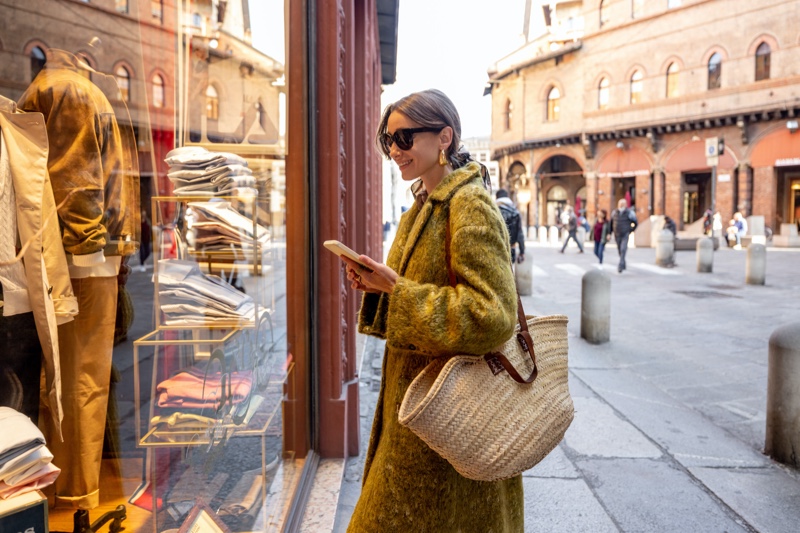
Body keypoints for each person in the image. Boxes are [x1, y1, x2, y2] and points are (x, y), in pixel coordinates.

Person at [341, 89, 523, 532]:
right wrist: (377, 286)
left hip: (453, 419)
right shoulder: (420, 206)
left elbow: (493, 314)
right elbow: (413, 292)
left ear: (444, 137)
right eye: (388, 141)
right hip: (419, 418)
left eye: (404, 138)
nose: (394, 151)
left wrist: (398, 291)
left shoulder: (469, 204)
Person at [495, 189, 526, 264]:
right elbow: (520, 234)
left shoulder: (494, 211)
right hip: (511, 249)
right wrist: (522, 251)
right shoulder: (515, 212)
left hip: (496, 250)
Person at [610, 198, 638, 272]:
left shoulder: (629, 213)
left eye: (623, 204)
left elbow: (635, 223)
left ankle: (620, 265)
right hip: (617, 233)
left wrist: (630, 230)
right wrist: (610, 232)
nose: (622, 205)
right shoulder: (614, 212)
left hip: (625, 233)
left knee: (623, 249)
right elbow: (611, 223)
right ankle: (623, 262)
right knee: (619, 249)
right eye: (620, 203)